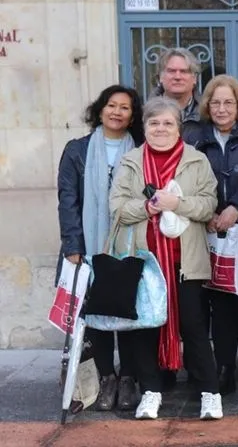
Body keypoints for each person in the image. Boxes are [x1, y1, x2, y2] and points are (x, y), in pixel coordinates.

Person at [108, 97, 222, 420]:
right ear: (144, 127)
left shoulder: (196, 160)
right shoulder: (130, 161)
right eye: (154, 123)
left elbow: (207, 204)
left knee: (194, 326)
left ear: (179, 128)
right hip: (144, 262)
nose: (160, 128)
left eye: (167, 123)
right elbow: (116, 207)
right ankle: (151, 391)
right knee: (147, 327)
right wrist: (147, 208)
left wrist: (176, 203)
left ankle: (210, 394)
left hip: (185, 262)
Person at [184, 75, 238, 404]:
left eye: (229, 102)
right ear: (207, 105)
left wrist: (236, 207)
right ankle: (223, 370)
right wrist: (207, 212)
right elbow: (186, 178)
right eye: (216, 102)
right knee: (220, 308)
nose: (222, 108)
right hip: (208, 234)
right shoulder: (194, 136)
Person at [57, 85, 143, 412]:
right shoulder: (77, 150)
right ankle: (106, 377)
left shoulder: (142, 149)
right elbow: (68, 201)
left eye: (125, 107)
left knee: (132, 313)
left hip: (131, 245)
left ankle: (129, 378)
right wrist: (73, 246)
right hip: (90, 248)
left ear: (133, 115)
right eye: (111, 105)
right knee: (96, 315)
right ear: (100, 109)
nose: (117, 112)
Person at [150, 48, 202, 124]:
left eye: (184, 71)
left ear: (194, 78)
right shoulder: (144, 114)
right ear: (160, 77)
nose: (177, 77)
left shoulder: (208, 114)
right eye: (171, 71)